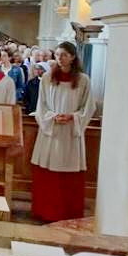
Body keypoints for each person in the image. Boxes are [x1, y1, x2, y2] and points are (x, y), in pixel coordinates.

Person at [30, 42, 96, 222]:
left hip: (70, 132)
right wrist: (52, 117)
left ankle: (68, 213)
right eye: (58, 54)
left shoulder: (83, 80)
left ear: (73, 57)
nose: (60, 58)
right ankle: (45, 211)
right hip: (51, 131)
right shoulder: (47, 77)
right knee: (48, 173)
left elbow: (89, 107)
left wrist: (74, 117)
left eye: (64, 55)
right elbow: (41, 105)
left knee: (69, 174)